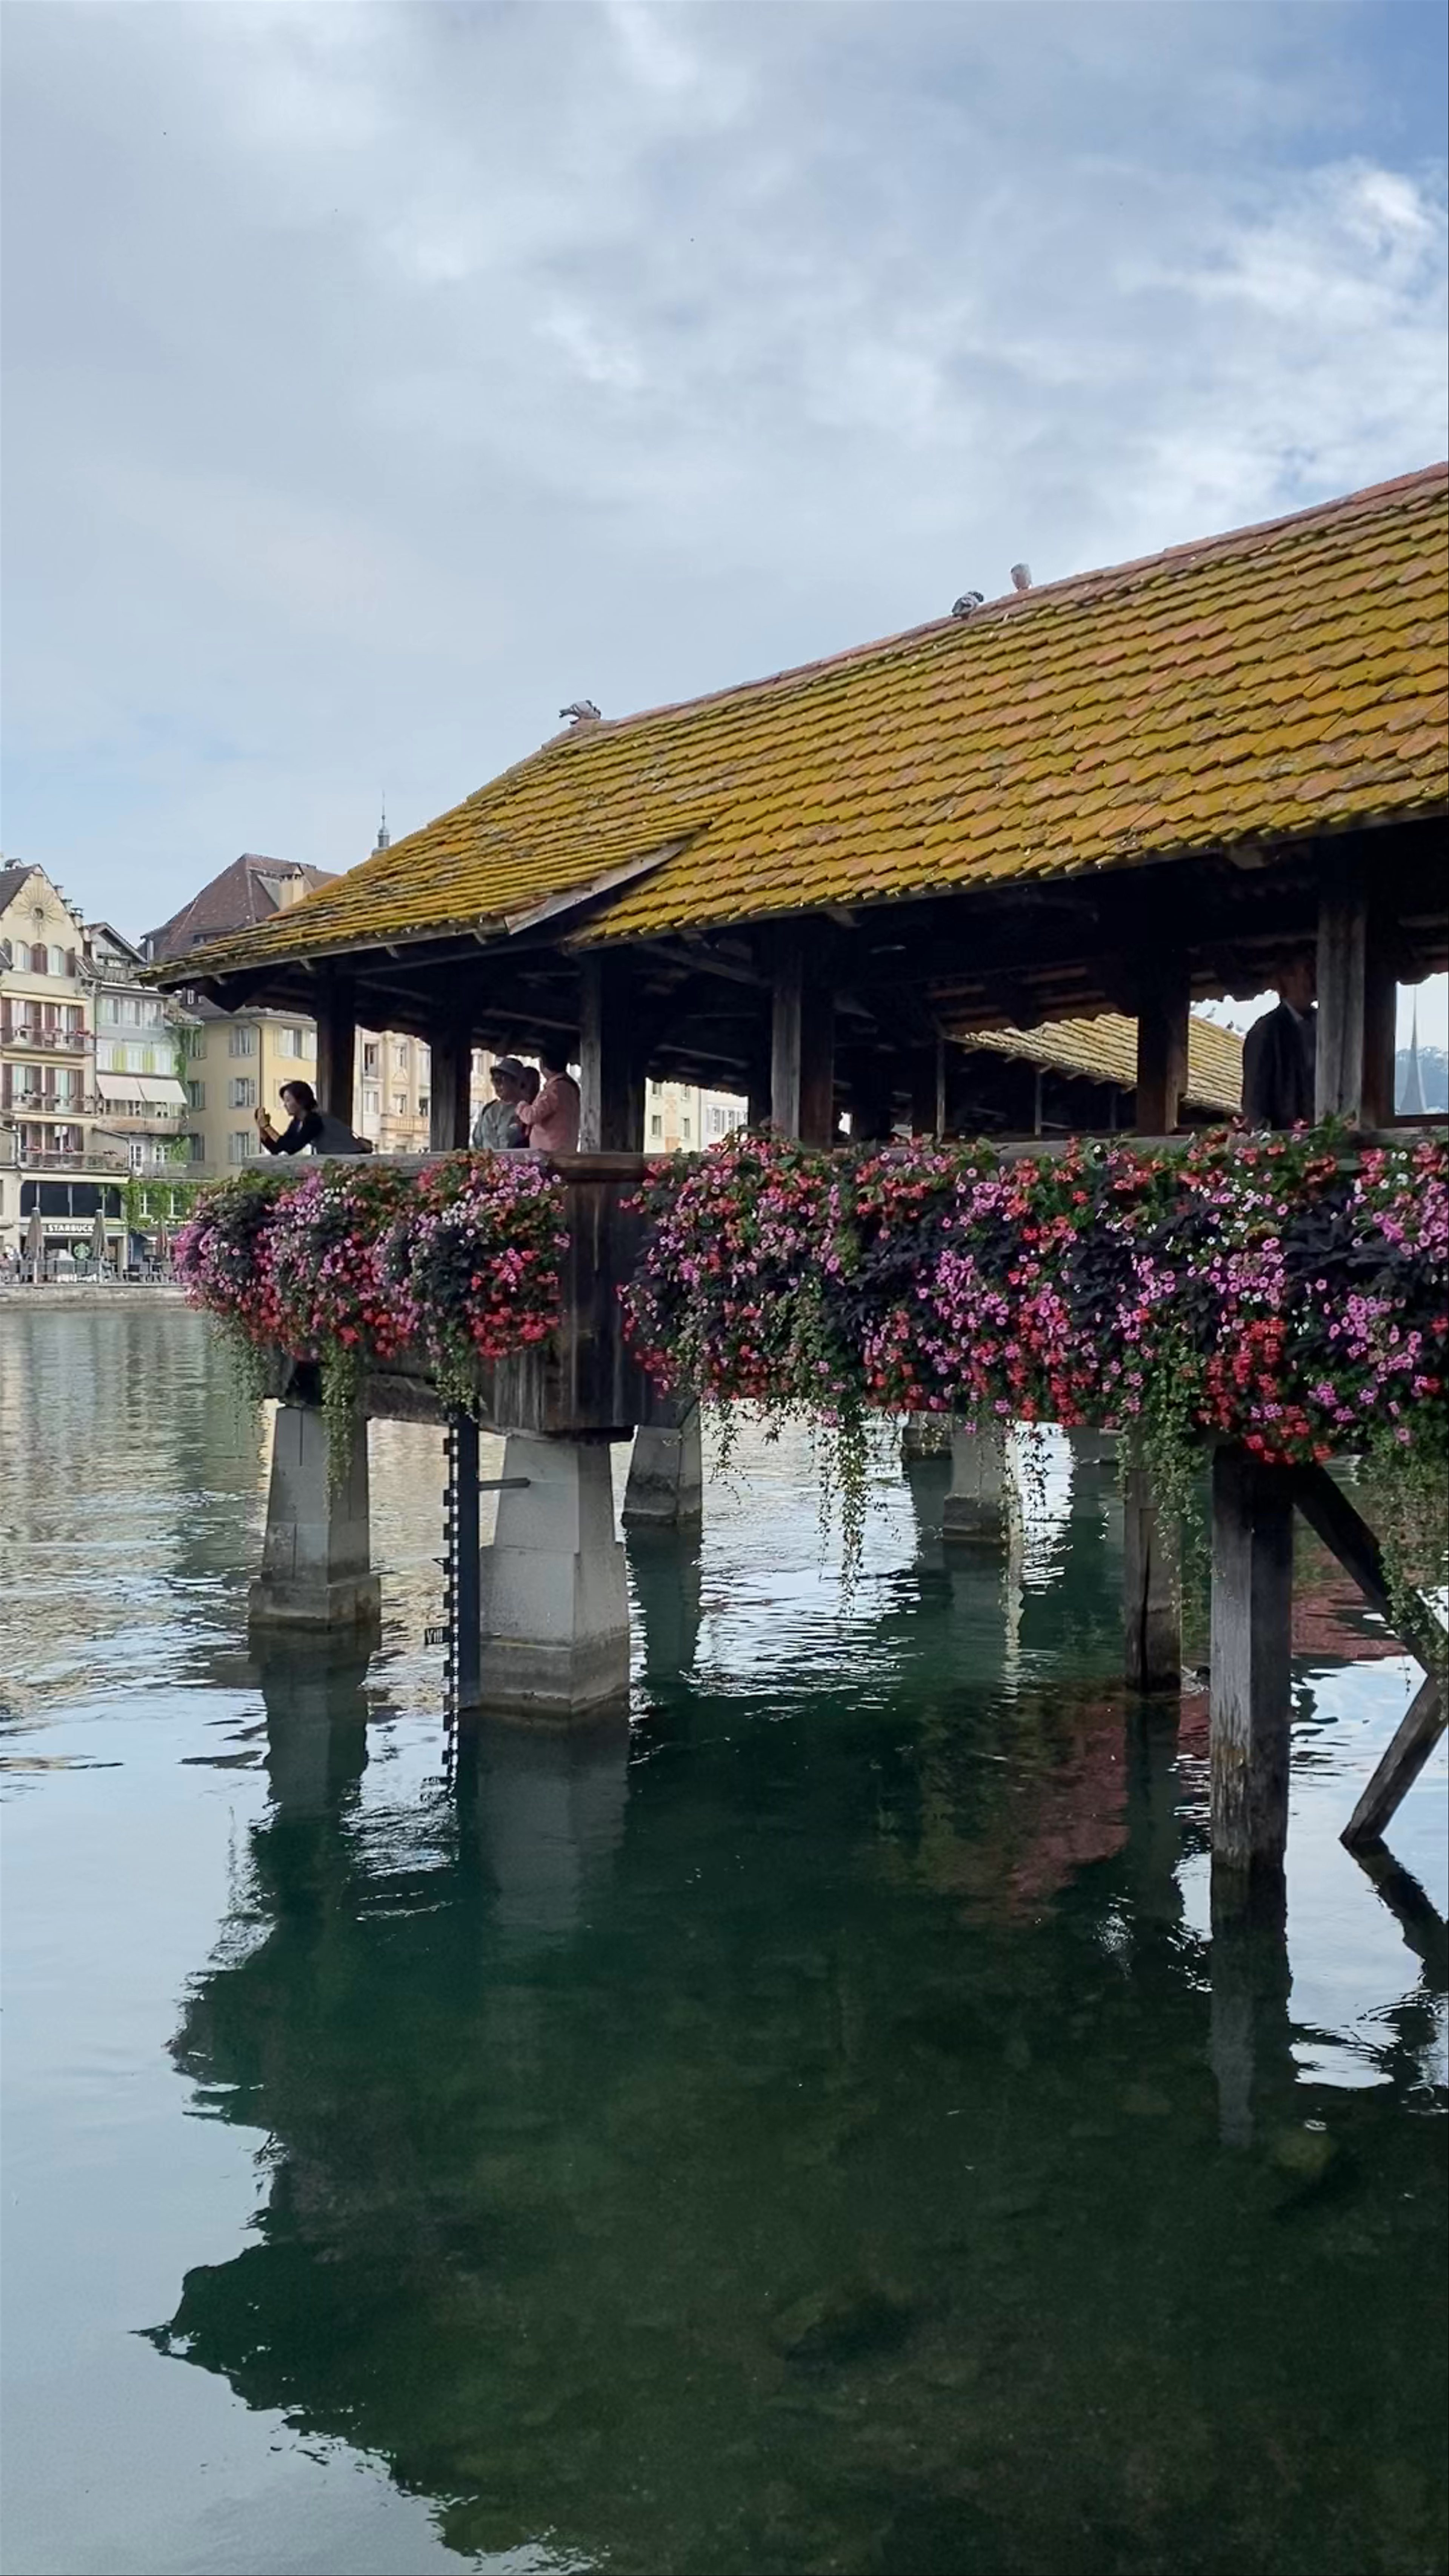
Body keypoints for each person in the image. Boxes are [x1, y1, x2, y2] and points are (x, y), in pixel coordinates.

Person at [1241, 957, 1318, 1128]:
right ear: (1286, 980)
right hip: (1287, 1140)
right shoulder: (1266, 1031)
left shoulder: (1326, 1025)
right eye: (1306, 973)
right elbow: (1254, 1103)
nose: (1313, 980)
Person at [255, 1080, 366, 1157]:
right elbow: (279, 1148)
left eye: (288, 1100)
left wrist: (267, 1126)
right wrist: (262, 1129)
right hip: (337, 1159)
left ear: (301, 1101)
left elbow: (292, 1148)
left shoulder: (315, 1120)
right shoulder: (298, 1121)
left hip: (351, 1157)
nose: (285, 1105)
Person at [516, 1043, 581, 1155]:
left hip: (550, 1154)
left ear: (542, 1065)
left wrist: (521, 1104)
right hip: (567, 1149)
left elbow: (531, 1116)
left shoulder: (554, 1090)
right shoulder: (572, 1087)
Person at [471, 1056, 528, 1151]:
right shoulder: (488, 1109)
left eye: (500, 1080)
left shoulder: (529, 1112)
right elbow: (477, 1141)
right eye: (494, 1080)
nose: (496, 1085)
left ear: (517, 1082)